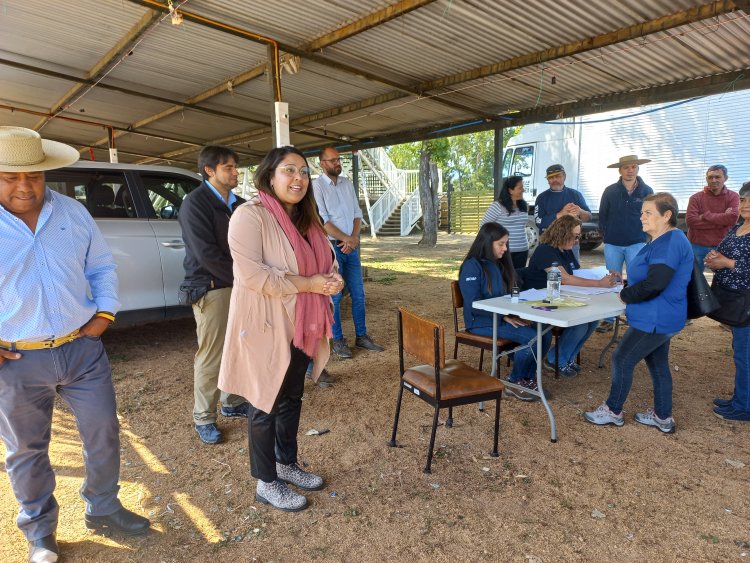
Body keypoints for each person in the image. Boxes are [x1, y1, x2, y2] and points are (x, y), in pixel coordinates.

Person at [0, 127, 149, 563]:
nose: (25, 186)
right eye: (10, 177)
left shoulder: (71, 212)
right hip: (17, 358)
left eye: (34, 176)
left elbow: (101, 265)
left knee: (103, 431)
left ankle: (103, 508)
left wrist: (104, 315)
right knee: (26, 450)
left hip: (81, 350)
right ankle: (40, 532)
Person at [218, 146, 344, 512]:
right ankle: (266, 481)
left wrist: (331, 279)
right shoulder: (249, 216)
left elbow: (327, 259)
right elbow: (253, 275)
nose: (299, 178)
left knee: (291, 397)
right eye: (289, 170)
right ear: (269, 176)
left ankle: (286, 463)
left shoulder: (308, 218)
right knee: (263, 402)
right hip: (265, 325)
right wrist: (312, 284)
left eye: (304, 172)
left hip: (303, 324)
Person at [584, 193, 693, 433]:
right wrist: (627, 284)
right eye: (642, 212)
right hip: (659, 317)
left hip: (655, 317)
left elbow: (656, 283)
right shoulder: (661, 239)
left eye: (648, 213)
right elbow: (651, 276)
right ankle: (662, 417)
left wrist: (626, 295)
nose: (641, 217)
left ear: (667, 215)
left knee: (622, 358)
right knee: (658, 364)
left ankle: (613, 410)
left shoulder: (671, 241)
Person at [179, 145, 249, 445]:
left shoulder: (240, 204)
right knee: (212, 353)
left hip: (239, 285)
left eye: (235, 167)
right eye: (228, 167)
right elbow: (206, 254)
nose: (235, 172)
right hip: (212, 286)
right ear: (209, 170)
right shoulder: (195, 204)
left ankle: (232, 402)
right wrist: (247, 278)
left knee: (238, 346)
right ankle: (203, 417)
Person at [459, 223, 552, 401]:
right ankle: (514, 381)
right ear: (487, 243)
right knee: (534, 338)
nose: (505, 248)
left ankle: (527, 377)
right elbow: (473, 304)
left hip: (502, 317)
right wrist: (504, 315)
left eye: (506, 243)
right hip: (481, 322)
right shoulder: (472, 266)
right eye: (501, 244)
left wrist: (519, 311)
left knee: (545, 332)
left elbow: (512, 293)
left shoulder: (500, 263)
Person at [526, 215, 619, 377]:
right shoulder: (545, 250)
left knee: (592, 319)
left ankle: (565, 357)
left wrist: (603, 275)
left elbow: (578, 273)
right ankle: (556, 359)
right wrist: (598, 284)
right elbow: (565, 278)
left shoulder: (565, 250)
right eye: (575, 236)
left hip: (559, 297)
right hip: (538, 301)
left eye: (578, 236)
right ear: (562, 233)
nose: (577, 240)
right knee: (581, 323)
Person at [312, 146, 383, 358]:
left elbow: (356, 214)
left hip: (349, 247)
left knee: (359, 294)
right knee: (335, 295)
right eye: (332, 160)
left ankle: (361, 337)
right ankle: (338, 341)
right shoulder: (316, 187)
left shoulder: (347, 184)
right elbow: (322, 221)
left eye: (338, 159)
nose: (337, 163)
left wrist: (352, 240)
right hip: (331, 248)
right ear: (322, 163)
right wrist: (347, 239)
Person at [707, 180, 750, 422]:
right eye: (743, 199)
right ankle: (740, 398)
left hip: (746, 301)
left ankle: (745, 406)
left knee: (745, 354)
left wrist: (728, 263)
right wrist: (715, 256)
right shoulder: (738, 227)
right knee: (740, 352)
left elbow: (736, 262)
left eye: (748, 200)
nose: (744, 204)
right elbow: (723, 250)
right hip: (734, 299)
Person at [597, 154, 654, 332]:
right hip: (613, 243)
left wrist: (647, 237)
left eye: (634, 167)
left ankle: (634, 316)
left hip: (637, 243)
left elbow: (652, 215)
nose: (630, 170)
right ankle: (609, 318)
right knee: (612, 280)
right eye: (626, 167)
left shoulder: (647, 191)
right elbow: (602, 215)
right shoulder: (610, 190)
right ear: (620, 170)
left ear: (638, 169)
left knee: (636, 280)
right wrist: (606, 236)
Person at [686, 165, 740, 271]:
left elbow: (732, 218)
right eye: (710, 177)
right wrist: (723, 220)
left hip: (721, 246)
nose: (713, 180)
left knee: (721, 279)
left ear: (725, 178)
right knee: (694, 278)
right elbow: (691, 221)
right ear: (706, 179)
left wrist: (705, 215)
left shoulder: (734, 197)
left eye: (717, 177)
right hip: (697, 245)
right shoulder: (695, 198)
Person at [534, 164, 592, 262]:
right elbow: (538, 222)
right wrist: (560, 214)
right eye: (551, 178)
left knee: (572, 273)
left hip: (571, 243)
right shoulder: (542, 198)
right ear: (547, 180)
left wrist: (580, 211)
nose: (555, 180)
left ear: (564, 176)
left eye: (558, 176)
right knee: (549, 275)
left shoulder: (576, 195)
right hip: (549, 244)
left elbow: (589, 217)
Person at [480, 175, 530, 268]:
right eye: (520, 188)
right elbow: (484, 226)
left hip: (523, 250)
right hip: (504, 251)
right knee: (503, 279)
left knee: (518, 279)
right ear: (510, 190)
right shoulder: (497, 206)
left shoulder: (524, 206)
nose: (523, 190)